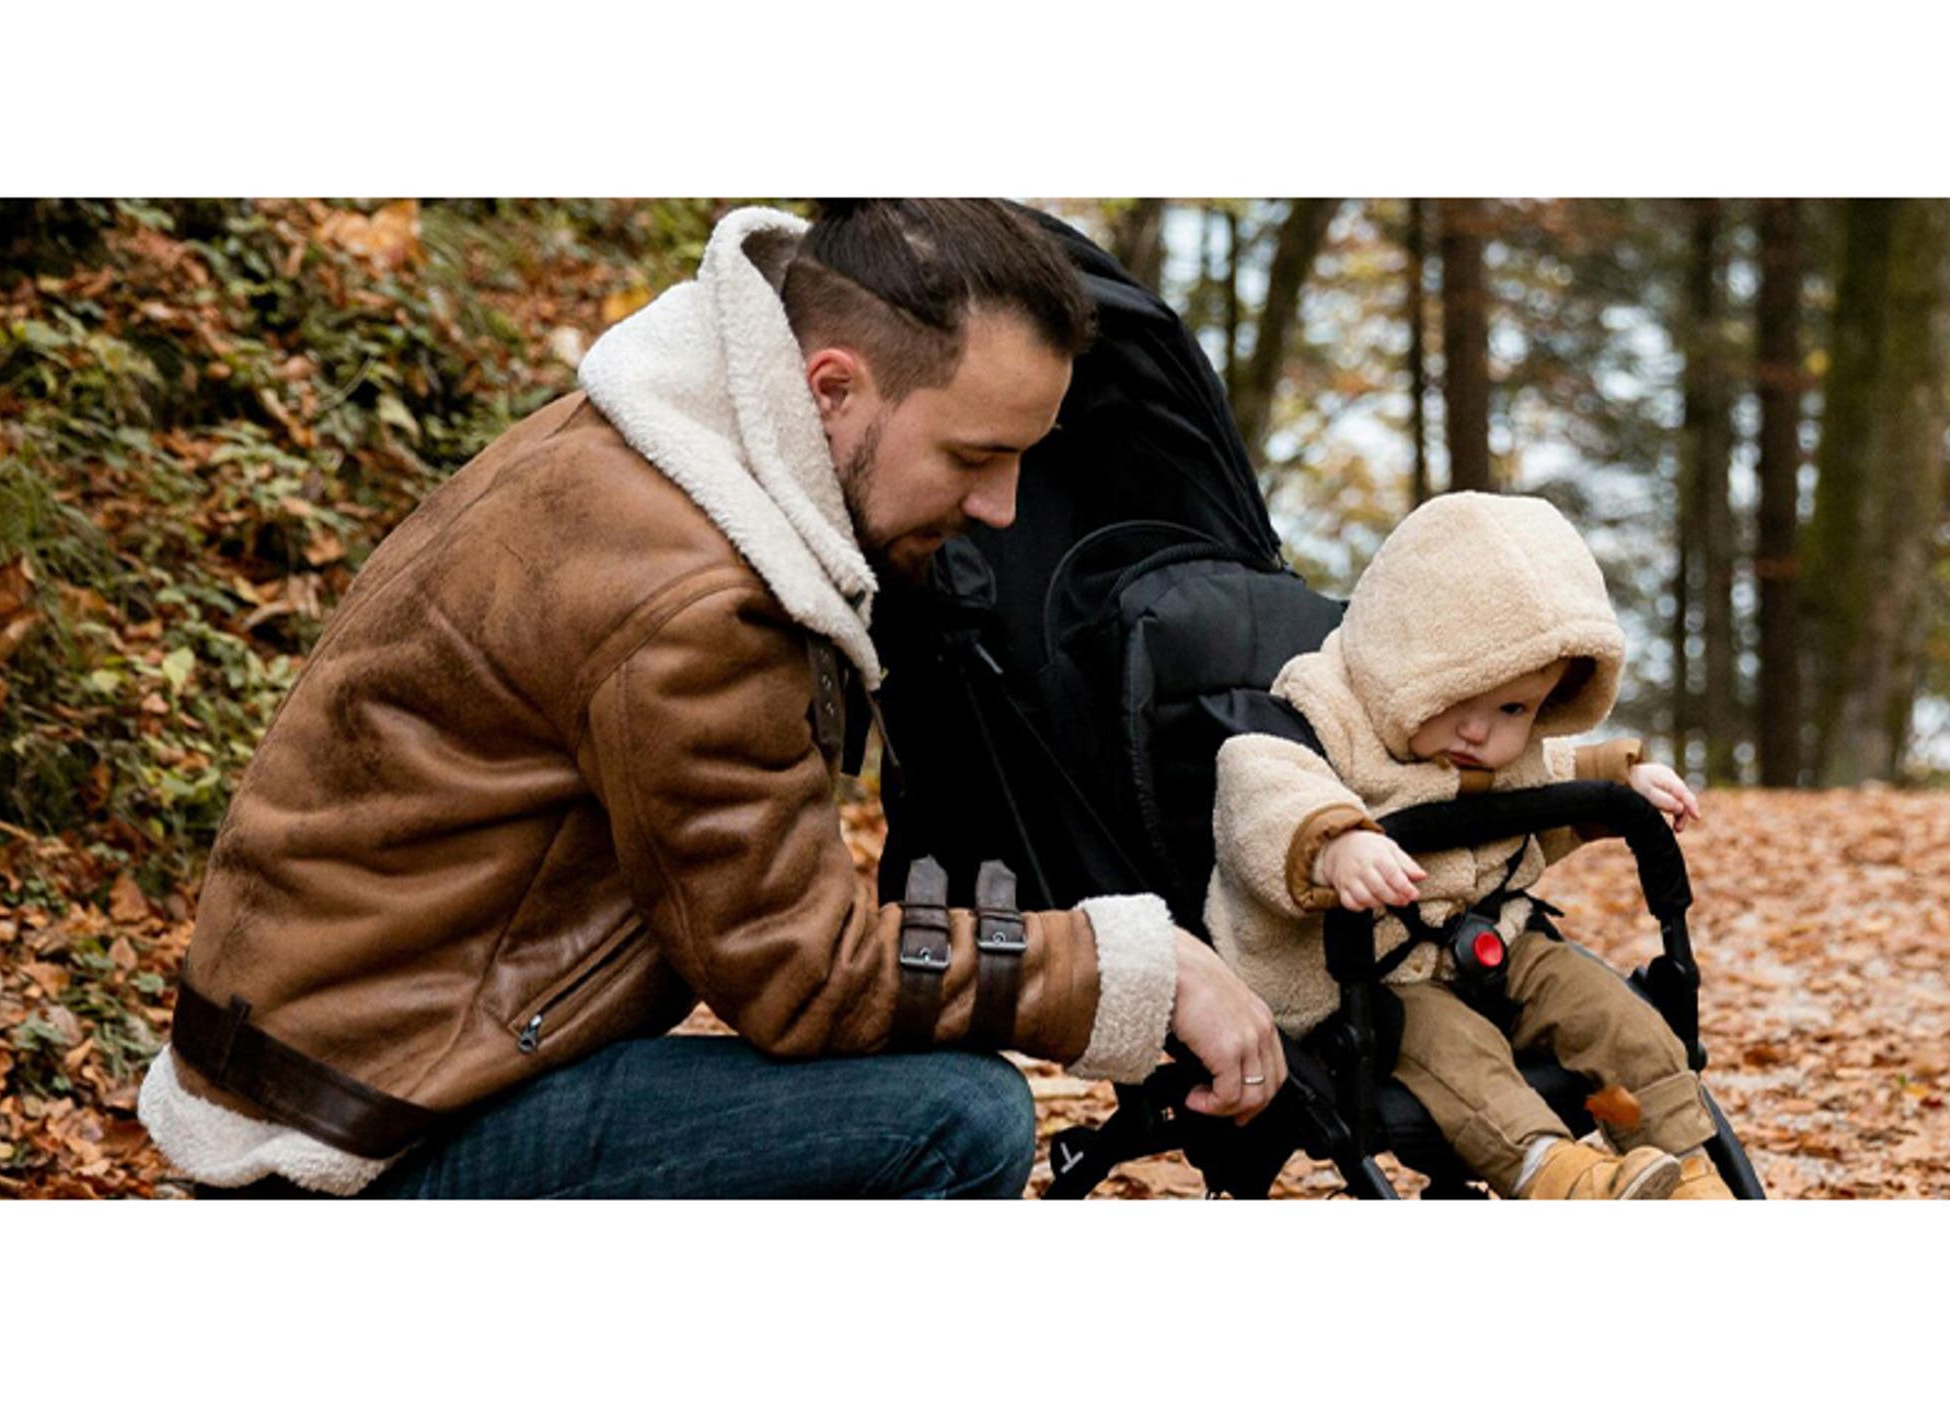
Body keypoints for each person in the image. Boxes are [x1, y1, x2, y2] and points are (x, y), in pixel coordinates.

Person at [137, 201, 1285, 1199]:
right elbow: (804, 977)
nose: (1001, 505)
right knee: (956, 1119)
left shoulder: (656, 450)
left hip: (331, 1066)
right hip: (361, 1143)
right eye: (977, 456)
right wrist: (1140, 966)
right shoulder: (696, 595)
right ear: (833, 387)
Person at [1202, 492, 1730, 1199]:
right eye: (1459, 700)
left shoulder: (1495, 750)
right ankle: (1560, 1179)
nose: (1483, 733)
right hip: (1371, 983)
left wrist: (1623, 779)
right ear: (1402, 663)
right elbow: (1261, 790)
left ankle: (1688, 1171)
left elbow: (1549, 774)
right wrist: (1334, 843)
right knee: (1460, 1053)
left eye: (1515, 708)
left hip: (1489, 945)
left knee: (1610, 1013)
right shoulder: (1321, 719)